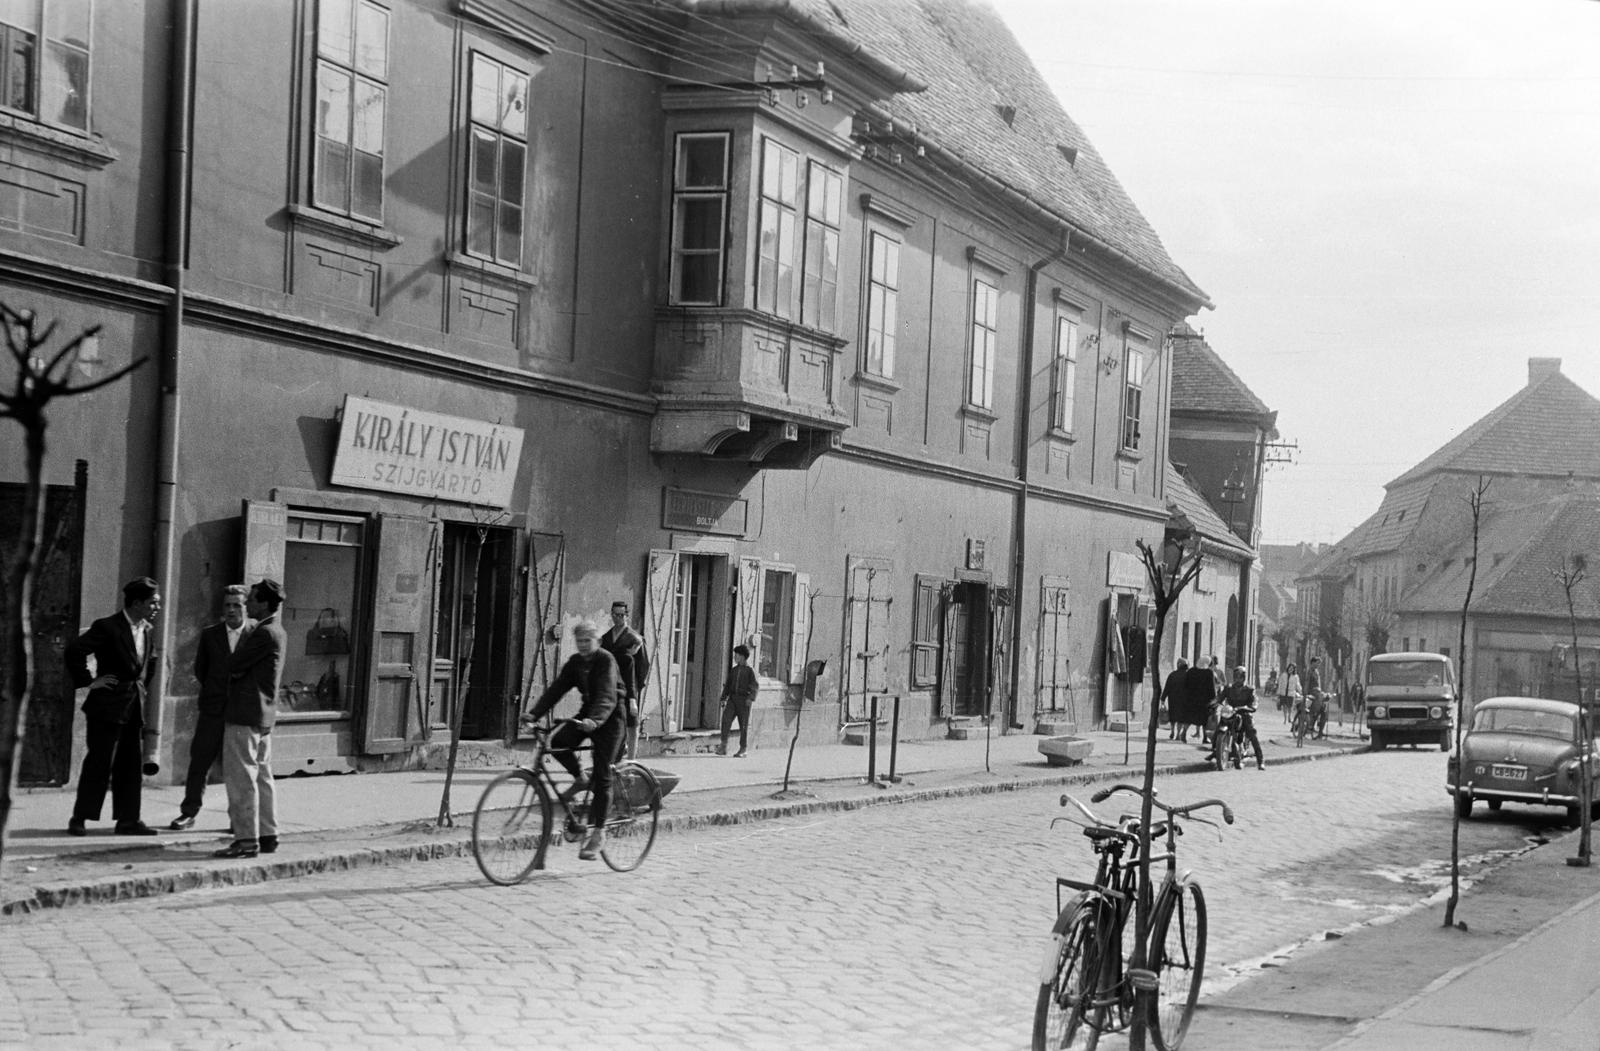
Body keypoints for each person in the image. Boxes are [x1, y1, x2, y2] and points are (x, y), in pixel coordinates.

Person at [63, 576, 163, 836]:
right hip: (106, 707)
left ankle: (128, 820)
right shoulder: (108, 627)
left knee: (131, 763)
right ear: (137, 603)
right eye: (153, 603)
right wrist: (89, 681)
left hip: (133, 706)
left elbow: (149, 662)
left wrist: (141, 687)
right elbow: (74, 650)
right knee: (99, 761)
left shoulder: (148, 629)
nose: (157, 608)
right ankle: (80, 818)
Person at [526, 620, 622, 860]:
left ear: (597, 641)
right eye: (579, 641)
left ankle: (599, 833)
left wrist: (596, 720)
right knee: (558, 742)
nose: (583, 646)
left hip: (609, 719)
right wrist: (534, 713)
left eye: (587, 641)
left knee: (603, 776)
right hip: (587, 714)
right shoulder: (576, 663)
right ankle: (580, 778)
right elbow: (557, 689)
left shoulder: (605, 660)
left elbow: (607, 696)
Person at [170, 585, 252, 831]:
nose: (231, 610)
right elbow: (201, 670)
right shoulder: (210, 634)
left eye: (237, 604)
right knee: (200, 762)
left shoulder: (256, 633)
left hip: (241, 713)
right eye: (227, 605)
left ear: (246, 607)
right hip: (213, 710)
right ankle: (188, 812)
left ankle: (239, 819)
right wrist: (216, 693)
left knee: (239, 768)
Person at [215, 579, 286, 859]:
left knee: (242, 779)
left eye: (253, 599)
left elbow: (234, 664)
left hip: (245, 714)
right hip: (263, 714)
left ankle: (246, 840)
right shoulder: (276, 631)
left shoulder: (263, 633)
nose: (248, 604)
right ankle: (268, 834)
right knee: (263, 777)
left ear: (265, 603)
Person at [600, 600, 650, 758]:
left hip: (630, 686)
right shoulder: (606, 638)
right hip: (611, 685)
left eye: (621, 615)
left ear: (627, 616)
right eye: (615, 615)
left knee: (632, 723)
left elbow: (643, 665)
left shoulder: (635, 638)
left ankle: (632, 759)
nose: (618, 618)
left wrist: (637, 686)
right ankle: (615, 755)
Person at [1214, 665, 1265, 770]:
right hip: (1231, 712)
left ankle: (1260, 761)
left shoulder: (1250, 689)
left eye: (1240, 677)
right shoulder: (1228, 688)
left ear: (1244, 677)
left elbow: (1254, 700)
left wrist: (1252, 706)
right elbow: (1219, 698)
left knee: (1252, 734)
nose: (1238, 679)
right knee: (1219, 728)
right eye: (1236, 677)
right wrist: (1213, 703)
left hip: (1244, 713)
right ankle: (1216, 751)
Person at [717, 644, 758, 757]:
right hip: (732, 699)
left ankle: (743, 748)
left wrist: (750, 698)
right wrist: (723, 698)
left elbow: (754, 686)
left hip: (744, 700)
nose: (735, 657)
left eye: (737, 655)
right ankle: (723, 745)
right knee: (726, 720)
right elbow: (728, 685)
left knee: (743, 724)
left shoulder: (750, 671)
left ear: (743, 657)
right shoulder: (734, 670)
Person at [1184, 656, 1217, 747]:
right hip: (1204, 700)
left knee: (1190, 718)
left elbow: (1186, 685)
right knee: (1204, 720)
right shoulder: (1209, 673)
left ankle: (1183, 733)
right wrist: (1214, 699)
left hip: (1192, 699)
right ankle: (1205, 738)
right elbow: (1212, 687)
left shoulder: (1191, 671)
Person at [1161, 657, 1190, 741]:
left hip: (1173, 699)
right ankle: (1178, 734)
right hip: (1185, 700)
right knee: (1181, 718)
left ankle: (1172, 731)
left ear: (1179, 665)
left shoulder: (1172, 675)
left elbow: (1167, 688)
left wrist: (1163, 699)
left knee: (1173, 716)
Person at [1304, 657, 1325, 739]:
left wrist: (1320, 691)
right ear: (1312, 663)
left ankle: (1320, 732)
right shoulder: (1309, 672)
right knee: (1314, 711)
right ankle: (1309, 727)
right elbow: (1307, 682)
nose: (1318, 665)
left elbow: (1318, 684)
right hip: (1312, 693)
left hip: (1317, 693)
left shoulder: (1316, 672)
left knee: (1323, 711)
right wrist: (1306, 692)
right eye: (1317, 663)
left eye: (1319, 663)